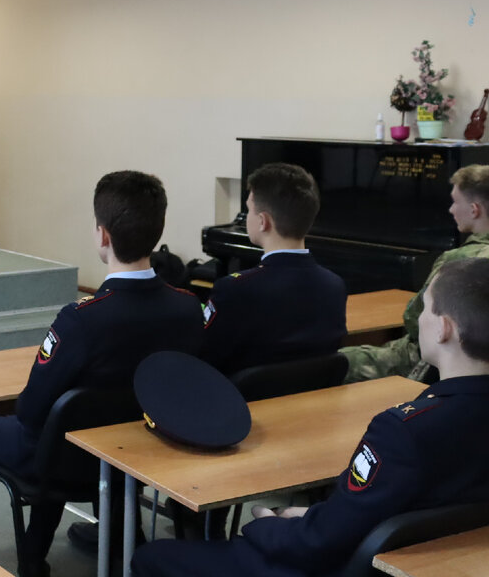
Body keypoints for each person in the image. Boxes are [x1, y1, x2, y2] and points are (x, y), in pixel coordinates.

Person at [0, 171, 204, 574]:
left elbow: (32, 410)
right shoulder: (188, 308)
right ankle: (64, 545)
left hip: (62, 459)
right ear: (157, 232)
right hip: (139, 454)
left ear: (102, 235)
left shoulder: (81, 319)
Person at [131, 256, 489, 577]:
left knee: (152, 557)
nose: (420, 318)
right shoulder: (428, 423)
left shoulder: (401, 432)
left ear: (443, 328)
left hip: (326, 564)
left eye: (426, 308)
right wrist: (312, 518)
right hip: (426, 561)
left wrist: (266, 525)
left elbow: (317, 543)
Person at [343, 164, 489, 383]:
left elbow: (414, 321)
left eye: (455, 202)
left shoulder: (459, 261)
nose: (451, 210)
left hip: (430, 362)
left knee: (343, 361)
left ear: (474, 209)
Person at [199, 163, 347, 375]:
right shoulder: (334, 285)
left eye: (249, 210)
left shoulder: (234, 289)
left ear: (263, 221)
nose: (247, 217)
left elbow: (206, 357)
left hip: (243, 396)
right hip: (313, 393)